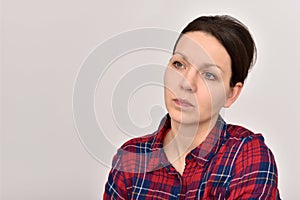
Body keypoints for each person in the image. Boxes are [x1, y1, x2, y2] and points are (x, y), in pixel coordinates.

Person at [103, 15, 280, 199]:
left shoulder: (246, 156)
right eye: (179, 64)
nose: (186, 83)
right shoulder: (131, 157)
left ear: (231, 94)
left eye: (209, 75)